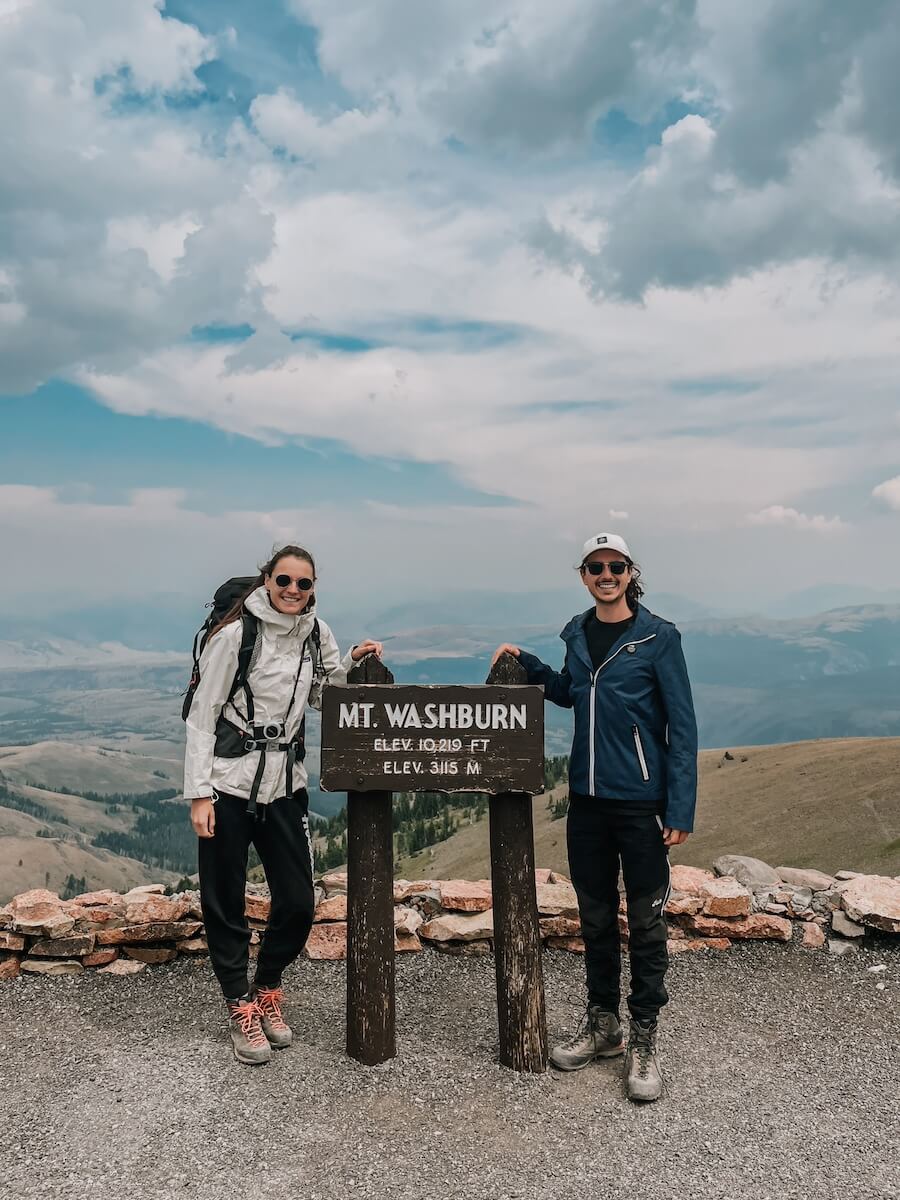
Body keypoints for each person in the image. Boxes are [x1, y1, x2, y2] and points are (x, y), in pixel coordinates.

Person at [492, 532, 697, 1102]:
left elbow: (682, 727)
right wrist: (527, 664)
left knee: (647, 922)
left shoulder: (659, 637)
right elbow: (571, 692)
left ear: (631, 572)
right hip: (587, 804)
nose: (606, 574)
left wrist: (679, 805)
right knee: (597, 917)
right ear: (583, 575)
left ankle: (645, 1039)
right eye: (595, 567)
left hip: (641, 804)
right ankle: (603, 1024)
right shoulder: (578, 634)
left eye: (615, 566)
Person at [184, 544, 382, 1065]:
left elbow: (324, 689)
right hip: (229, 783)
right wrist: (198, 793)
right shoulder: (235, 636)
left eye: (304, 583)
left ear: (314, 587)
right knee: (223, 898)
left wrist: (353, 666)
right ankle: (238, 1003)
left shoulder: (317, 633)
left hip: (285, 784)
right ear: (266, 580)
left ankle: (266, 986)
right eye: (285, 581)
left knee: (297, 900)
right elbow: (202, 716)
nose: (294, 591)